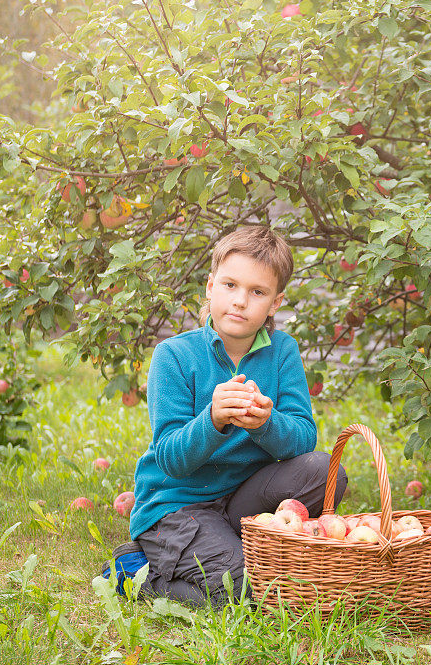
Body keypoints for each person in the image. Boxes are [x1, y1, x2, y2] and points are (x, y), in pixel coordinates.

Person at [118, 225, 348, 609]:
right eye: (229, 285)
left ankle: (230, 544)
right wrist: (212, 420)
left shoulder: (282, 351)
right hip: (179, 503)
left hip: (243, 497)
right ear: (210, 287)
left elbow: (304, 437)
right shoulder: (174, 356)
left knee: (326, 472)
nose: (240, 301)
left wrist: (267, 424)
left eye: (257, 292)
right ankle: (137, 575)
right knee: (244, 588)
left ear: (275, 303)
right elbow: (172, 459)